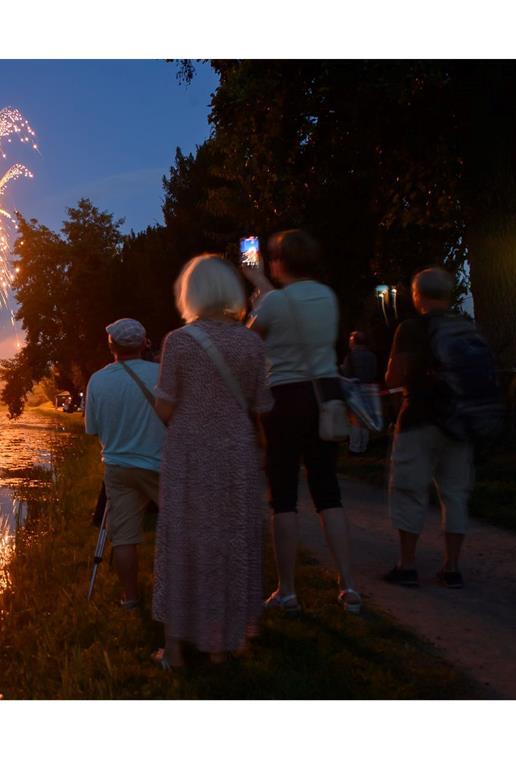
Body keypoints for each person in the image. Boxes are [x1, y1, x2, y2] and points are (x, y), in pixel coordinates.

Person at [151, 254, 273, 671]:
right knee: (232, 541)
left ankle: (177, 651)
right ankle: (225, 645)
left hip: (190, 456)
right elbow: (261, 404)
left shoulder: (180, 342)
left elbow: (165, 407)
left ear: (191, 293)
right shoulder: (252, 343)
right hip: (237, 455)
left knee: (185, 542)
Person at [243, 229, 361, 614]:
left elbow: (250, 340)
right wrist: (263, 286)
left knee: (284, 497)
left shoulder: (274, 302)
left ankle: (288, 590)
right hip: (324, 394)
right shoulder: (327, 296)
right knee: (328, 490)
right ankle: (348, 585)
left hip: (283, 397)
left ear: (278, 262)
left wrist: (257, 287)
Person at [384, 268, 480, 588]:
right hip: (459, 422)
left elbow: (393, 377)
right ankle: (452, 567)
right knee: (454, 494)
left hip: (419, 420)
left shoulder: (410, 329)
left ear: (416, 296)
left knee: (410, 490)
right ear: (448, 295)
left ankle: (407, 565)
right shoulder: (466, 327)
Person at [84, 317, 165, 610]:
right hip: (160, 464)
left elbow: (92, 429)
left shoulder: (98, 380)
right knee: (179, 526)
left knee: (124, 536)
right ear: (145, 344)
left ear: (112, 346)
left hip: (118, 468)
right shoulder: (162, 374)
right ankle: (180, 591)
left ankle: (130, 597)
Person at [341, 331, 379, 454]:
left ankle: (355, 448)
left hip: (355, 391)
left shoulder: (351, 356)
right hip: (369, 389)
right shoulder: (372, 355)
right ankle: (364, 446)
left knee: (355, 420)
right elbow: (375, 371)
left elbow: (347, 374)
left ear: (354, 342)